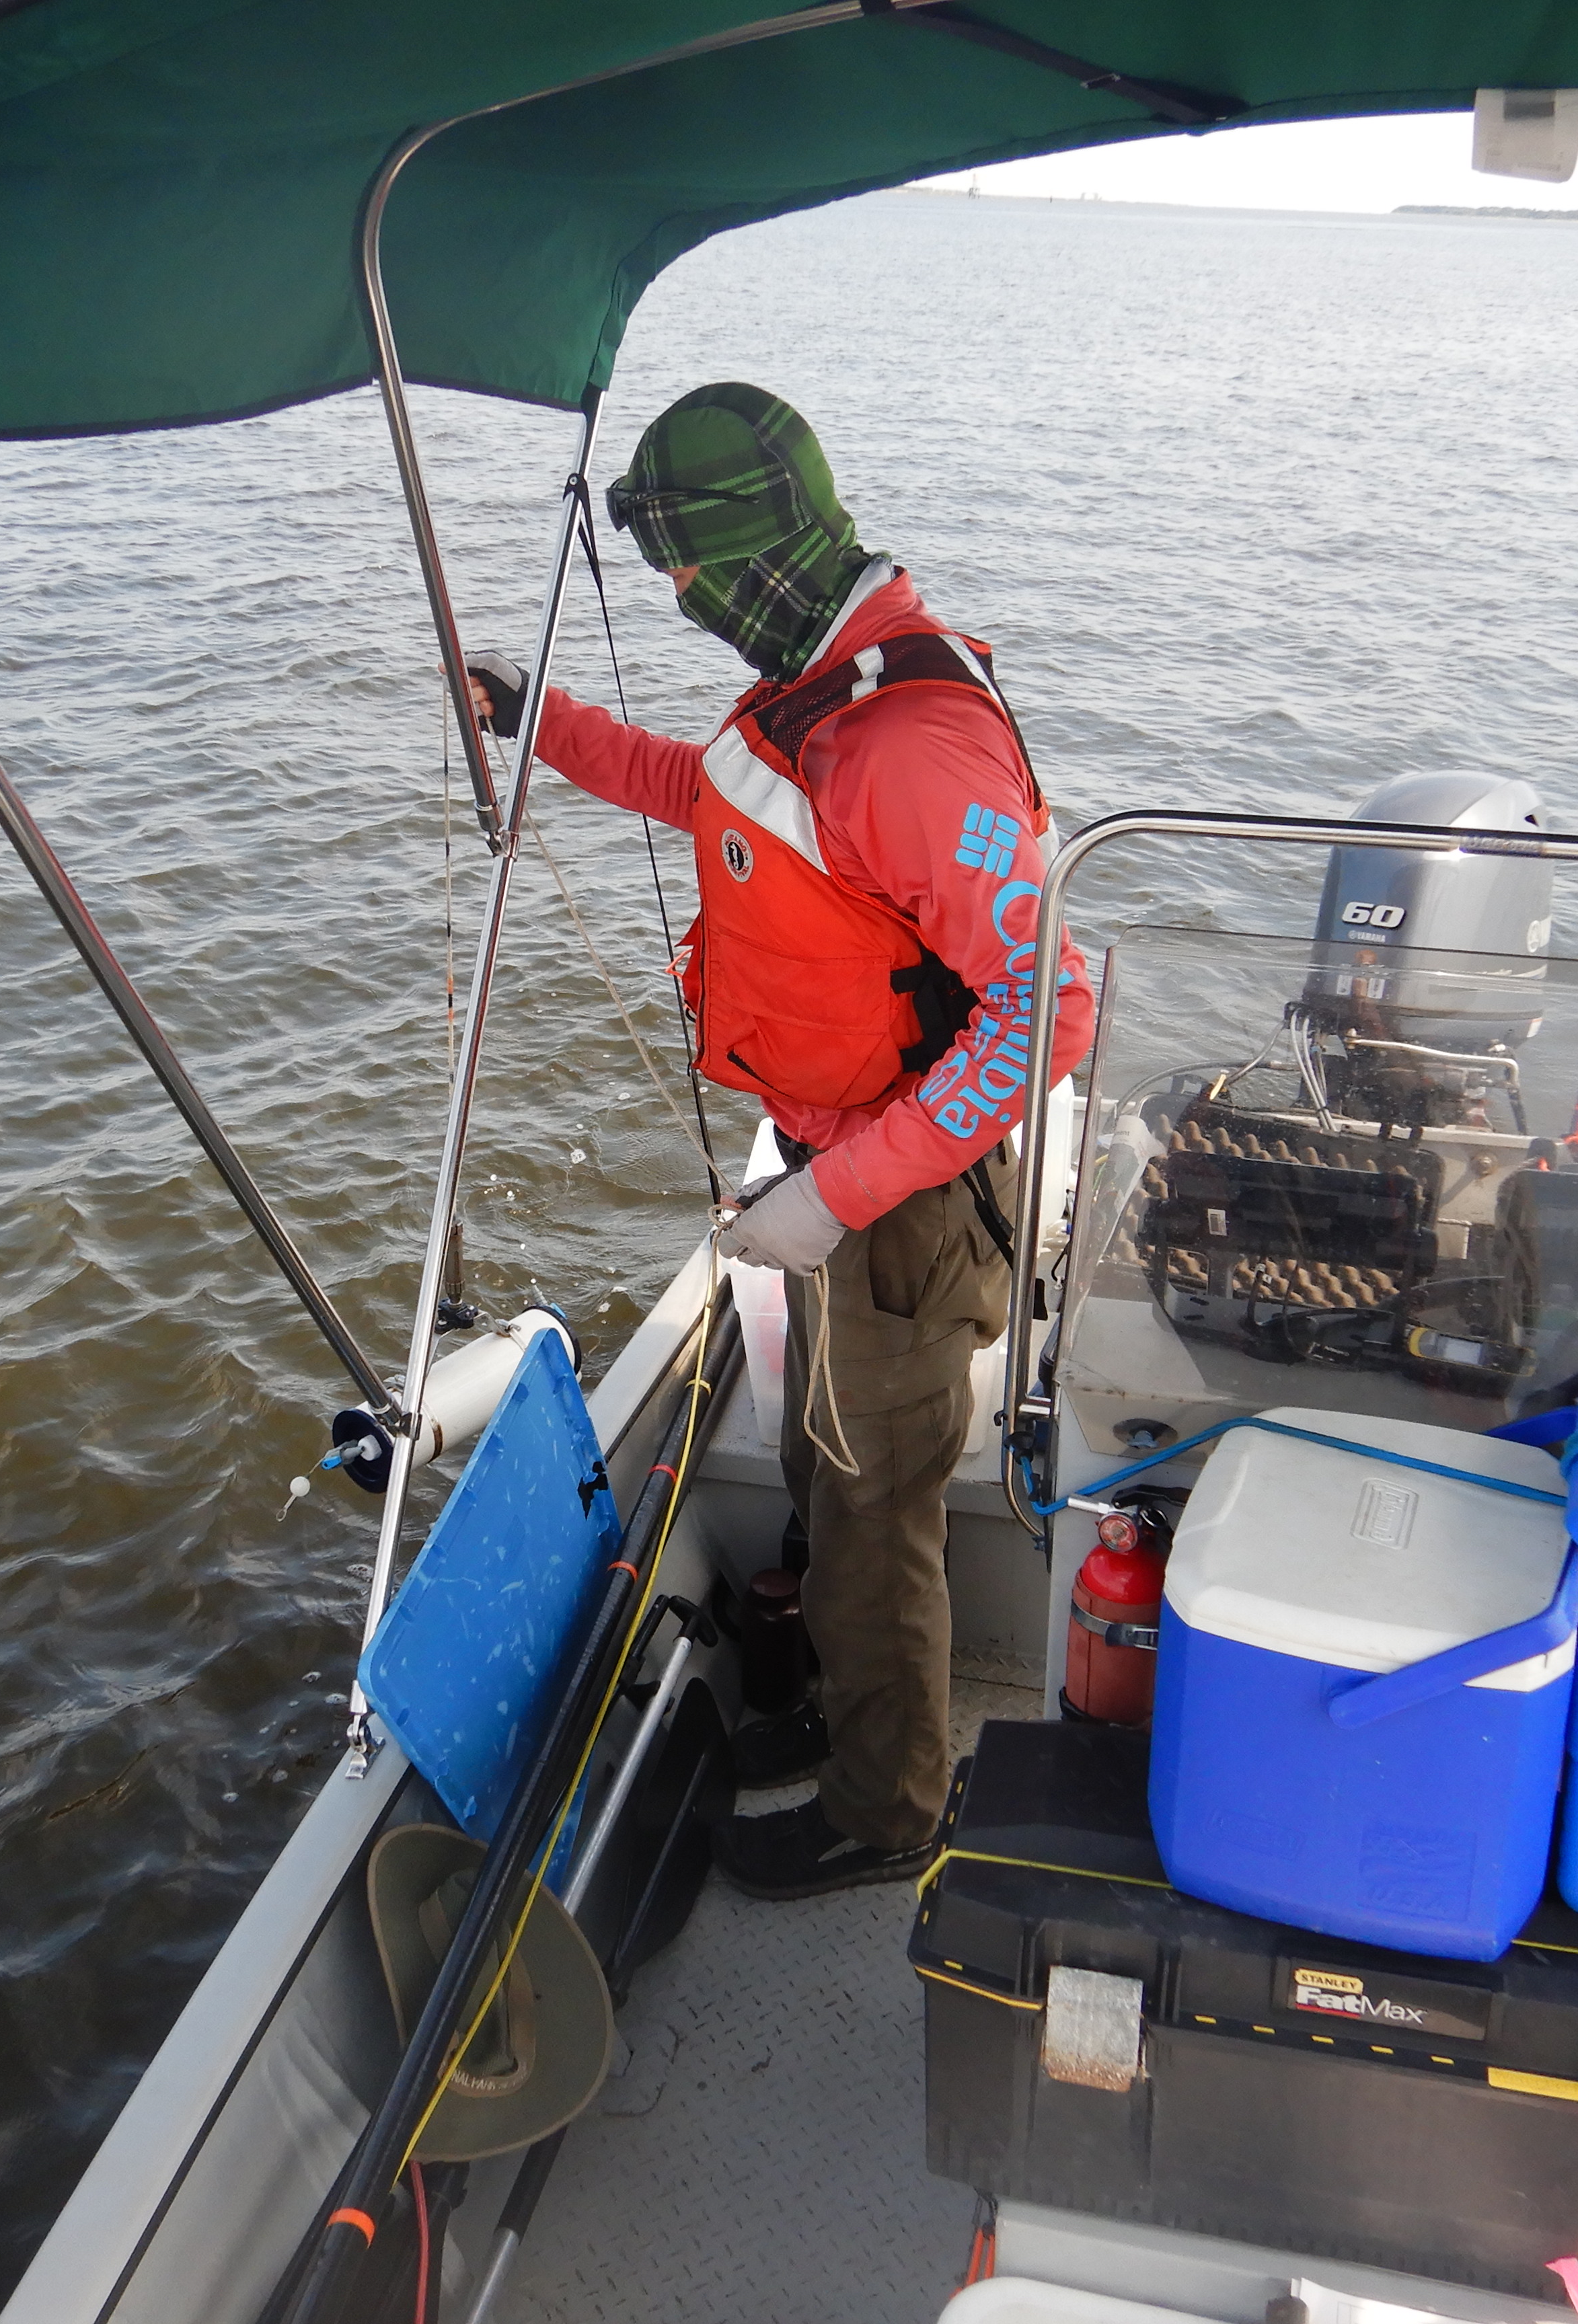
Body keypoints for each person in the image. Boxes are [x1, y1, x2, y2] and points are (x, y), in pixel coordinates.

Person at [465, 383, 1092, 1899]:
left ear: (755, 549)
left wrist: (848, 1193)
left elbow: (1046, 1015)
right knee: (824, 1479)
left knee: (877, 1508)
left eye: (691, 568)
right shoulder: (811, 688)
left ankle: (891, 1813)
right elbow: (703, 791)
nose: (677, 598)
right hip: (822, 1171)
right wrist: (537, 722)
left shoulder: (909, 743)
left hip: (894, 1196)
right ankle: (830, 1705)